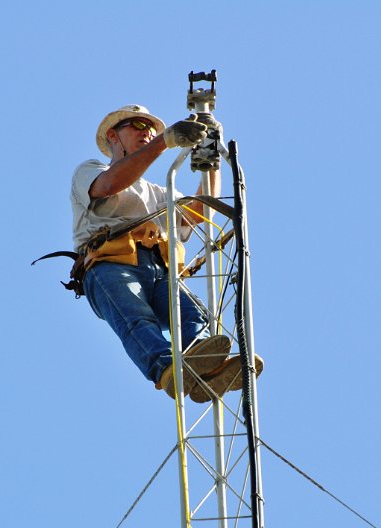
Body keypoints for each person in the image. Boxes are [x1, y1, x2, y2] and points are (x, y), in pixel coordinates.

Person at [70, 104, 263, 403]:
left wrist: (209, 158)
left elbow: (199, 211)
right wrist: (165, 141)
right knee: (136, 319)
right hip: (110, 265)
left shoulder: (158, 192)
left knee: (190, 313)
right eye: (136, 125)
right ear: (112, 136)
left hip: (158, 268)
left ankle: (204, 363)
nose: (146, 131)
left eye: (151, 128)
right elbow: (110, 185)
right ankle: (167, 369)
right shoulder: (91, 170)